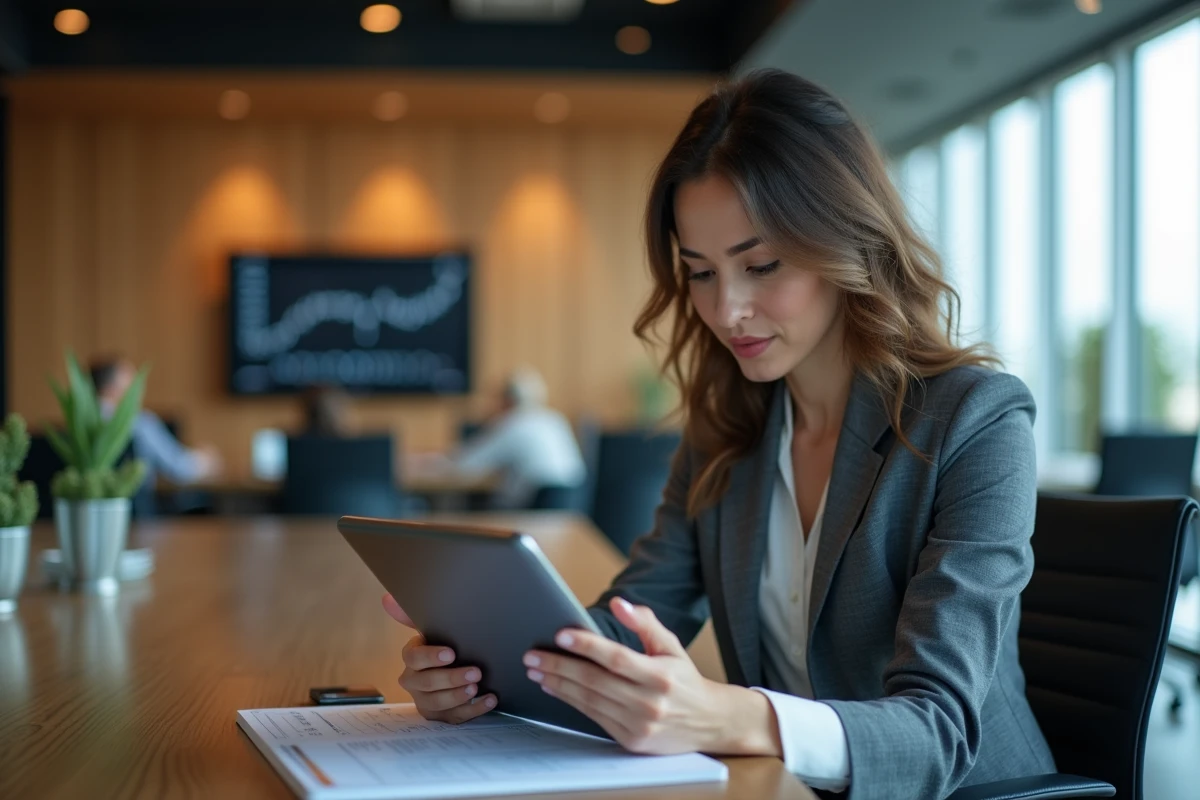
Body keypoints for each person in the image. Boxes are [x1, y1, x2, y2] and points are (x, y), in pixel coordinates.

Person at [380, 69, 1055, 799]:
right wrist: (485, 668)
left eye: (761, 265)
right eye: (700, 273)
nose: (727, 309)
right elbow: (634, 619)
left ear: (847, 242)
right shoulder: (728, 431)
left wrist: (727, 716)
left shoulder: (976, 421)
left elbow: (938, 733)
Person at [449, 367, 586, 509]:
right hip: (575, 499)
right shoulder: (554, 418)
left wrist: (440, 461)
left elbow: (468, 463)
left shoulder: (513, 422)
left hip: (539, 503)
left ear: (508, 399)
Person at [90, 358, 222, 486]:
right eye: (132, 383)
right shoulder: (140, 424)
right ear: (111, 388)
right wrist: (206, 460)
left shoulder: (77, 428)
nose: (139, 390)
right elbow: (179, 468)